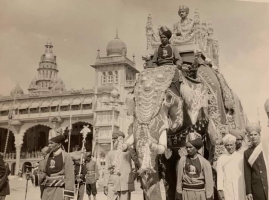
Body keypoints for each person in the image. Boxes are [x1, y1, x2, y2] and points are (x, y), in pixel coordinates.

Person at [32, 135, 75, 200]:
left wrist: (67, 196)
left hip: (59, 190)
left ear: (59, 144)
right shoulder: (47, 156)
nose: (49, 145)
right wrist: (34, 177)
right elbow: (44, 173)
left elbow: (70, 177)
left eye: (52, 143)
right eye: (49, 143)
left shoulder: (66, 156)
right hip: (47, 190)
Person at [104, 131, 136, 200]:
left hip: (125, 183)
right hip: (112, 184)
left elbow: (137, 161)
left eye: (118, 139)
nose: (115, 141)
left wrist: (133, 175)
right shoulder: (110, 153)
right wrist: (105, 185)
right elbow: (107, 170)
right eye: (114, 139)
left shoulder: (129, 151)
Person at [217, 134, 245, 200]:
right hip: (227, 187)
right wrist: (220, 190)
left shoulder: (241, 157)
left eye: (231, 145)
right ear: (225, 147)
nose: (229, 147)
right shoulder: (221, 159)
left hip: (240, 186)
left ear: (235, 145)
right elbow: (220, 175)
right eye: (227, 145)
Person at [244, 123, 268, 200]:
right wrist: (249, 191)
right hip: (257, 187)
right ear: (248, 136)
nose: (253, 137)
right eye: (251, 135)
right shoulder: (247, 152)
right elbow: (247, 173)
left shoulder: (266, 147)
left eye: (255, 134)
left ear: (259, 135)